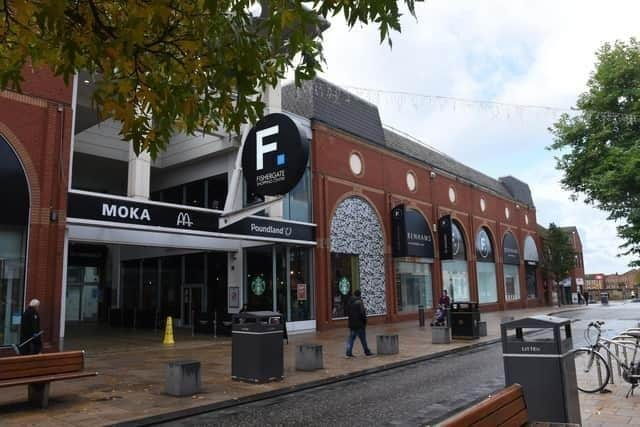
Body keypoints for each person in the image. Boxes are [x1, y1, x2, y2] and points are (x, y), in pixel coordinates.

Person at [345, 289, 373, 357]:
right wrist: (365, 321)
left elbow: (347, 312)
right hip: (360, 324)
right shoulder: (359, 302)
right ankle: (367, 351)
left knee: (351, 338)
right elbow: (362, 313)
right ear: (360, 295)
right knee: (363, 339)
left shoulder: (349, 302)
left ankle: (348, 352)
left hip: (352, 324)